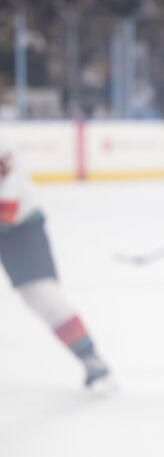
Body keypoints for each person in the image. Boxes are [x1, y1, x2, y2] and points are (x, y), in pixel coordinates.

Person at [0, 137, 111, 389]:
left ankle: (89, 356)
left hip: (20, 225)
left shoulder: (2, 144)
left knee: (40, 294)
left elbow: (6, 212)